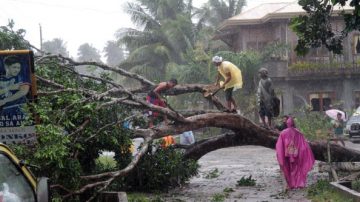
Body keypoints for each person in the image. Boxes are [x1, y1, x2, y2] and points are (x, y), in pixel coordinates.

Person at [276, 117, 315, 191]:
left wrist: (280, 154)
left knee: (289, 169)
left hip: (287, 154)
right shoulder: (298, 132)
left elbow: (279, 145)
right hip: (296, 154)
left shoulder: (283, 132)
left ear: (287, 123)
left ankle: (291, 184)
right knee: (298, 169)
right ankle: (299, 183)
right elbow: (303, 144)